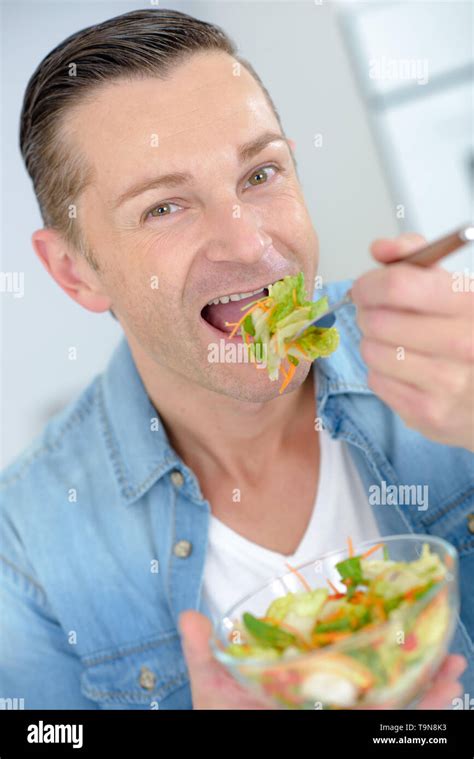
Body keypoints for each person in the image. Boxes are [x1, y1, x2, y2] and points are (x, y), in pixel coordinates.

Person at [1, 8, 472, 710]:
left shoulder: (454, 360)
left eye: (260, 173)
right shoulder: (26, 551)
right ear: (75, 272)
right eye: (165, 207)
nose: (250, 245)